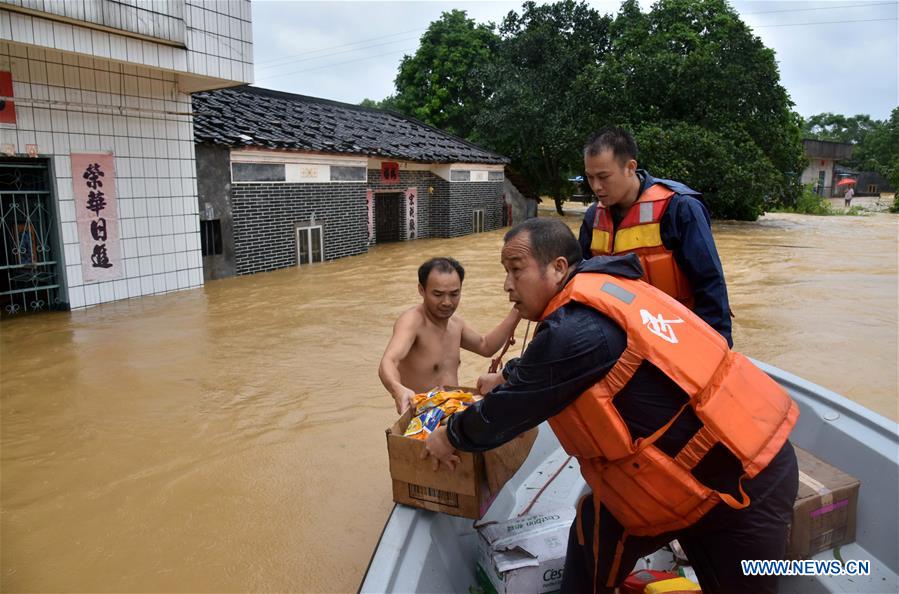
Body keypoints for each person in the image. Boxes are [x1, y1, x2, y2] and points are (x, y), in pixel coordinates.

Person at [424, 219, 799, 594]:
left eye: (516, 270)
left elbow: (499, 418)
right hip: (663, 479)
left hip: (742, 483)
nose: (507, 285)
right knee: (593, 535)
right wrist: (508, 375)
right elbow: (561, 363)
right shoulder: (600, 292)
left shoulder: (574, 329)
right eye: (506, 272)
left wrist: (450, 435)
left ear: (557, 267)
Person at [578, 127, 733, 346]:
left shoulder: (680, 208)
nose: (596, 187)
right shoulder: (593, 217)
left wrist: (718, 347)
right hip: (621, 336)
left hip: (677, 335)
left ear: (630, 168)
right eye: (590, 177)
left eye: (604, 177)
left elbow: (710, 284)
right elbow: (579, 282)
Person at [379, 256, 520, 414]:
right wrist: (397, 389)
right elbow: (389, 361)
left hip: (454, 411)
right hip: (422, 418)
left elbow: (485, 346)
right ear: (421, 290)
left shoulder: (456, 324)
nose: (447, 302)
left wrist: (518, 309)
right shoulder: (412, 321)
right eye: (438, 294)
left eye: (454, 294)